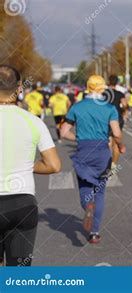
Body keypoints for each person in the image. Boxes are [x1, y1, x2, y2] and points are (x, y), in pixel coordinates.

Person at [0, 65, 61, 266]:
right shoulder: (33, 121)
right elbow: (53, 165)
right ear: (19, 88)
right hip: (23, 204)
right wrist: (30, 166)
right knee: (20, 273)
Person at [60, 75, 125, 244]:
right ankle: (94, 232)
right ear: (102, 89)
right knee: (100, 192)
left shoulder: (77, 107)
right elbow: (117, 134)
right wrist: (121, 145)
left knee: (85, 186)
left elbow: (63, 132)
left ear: (88, 88)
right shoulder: (110, 108)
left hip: (83, 150)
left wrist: (78, 138)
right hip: (103, 152)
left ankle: (87, 205)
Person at [104, 75, 128, 167]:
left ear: (108, 82)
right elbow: (124, 104)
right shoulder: (120, 94)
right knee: (117, 141)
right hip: (117, 118)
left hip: (105, 118)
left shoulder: (103, 93)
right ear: (117, 82)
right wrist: (123, 110)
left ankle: (107, 163)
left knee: (108, 141)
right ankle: (114, 164)